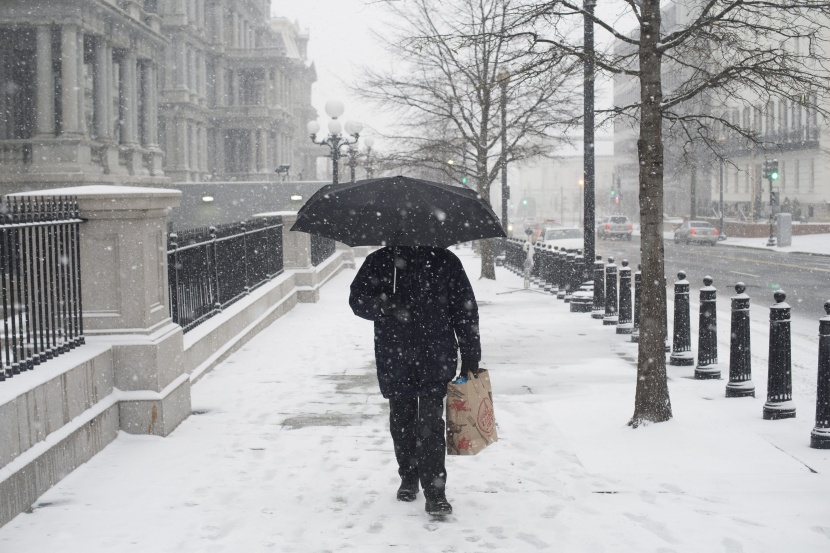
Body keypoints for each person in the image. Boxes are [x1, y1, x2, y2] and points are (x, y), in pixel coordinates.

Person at [349, 245, 481, 516]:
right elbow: (357, 300)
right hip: (394, 353)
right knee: (401, 419)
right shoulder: (380, 261)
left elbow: (465, 310)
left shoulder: (445, 261)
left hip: (435, 353)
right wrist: (385, 305)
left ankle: (436, 492)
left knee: (431, 423)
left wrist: (470, 356)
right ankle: (408, 477)